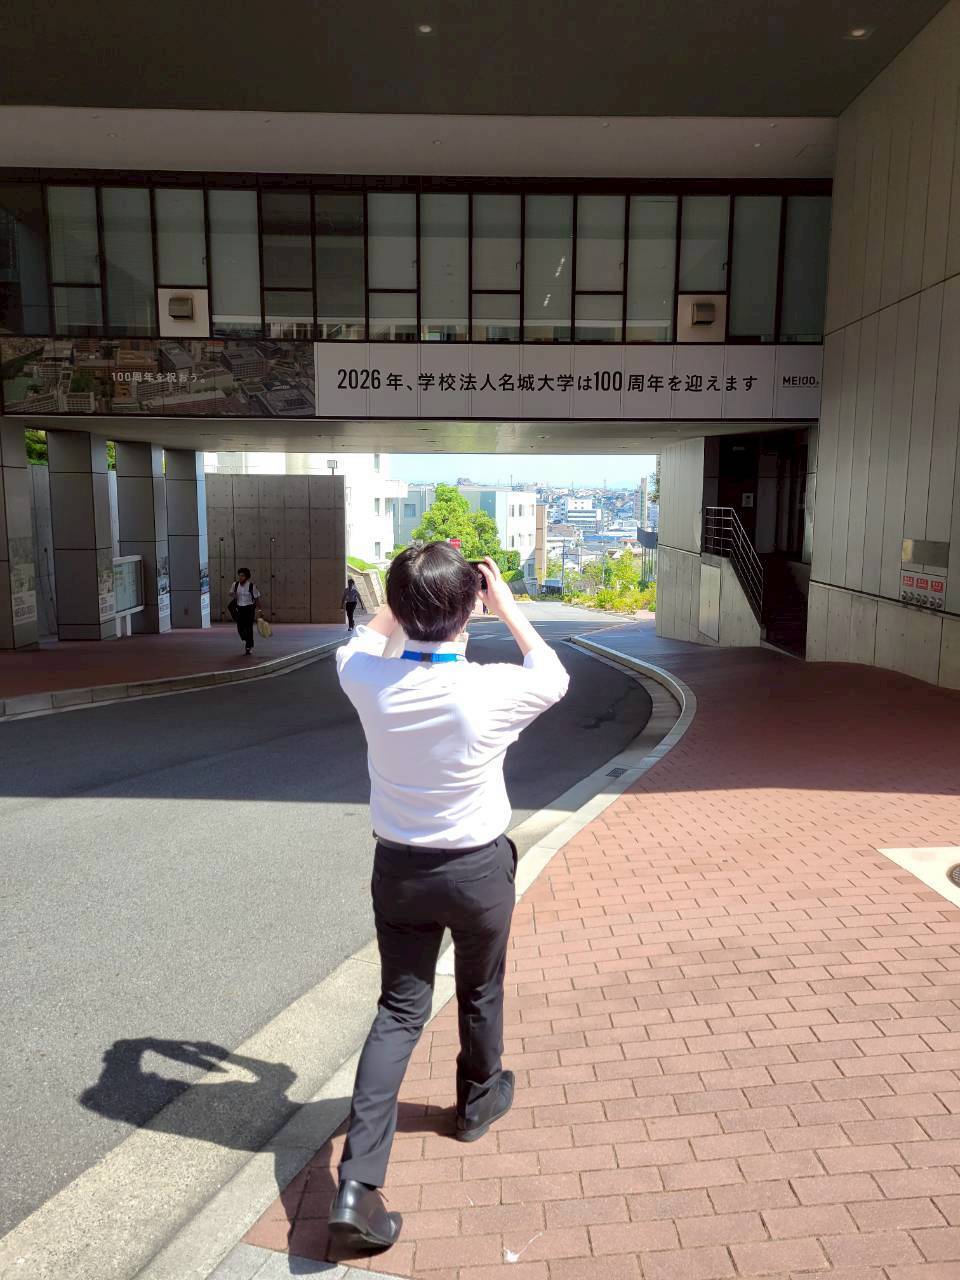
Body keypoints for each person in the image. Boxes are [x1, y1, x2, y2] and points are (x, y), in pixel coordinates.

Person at [328, 543, 569, 1254]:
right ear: (471, 610)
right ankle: (476, 1100)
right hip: (476, 871)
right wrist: (506, 605)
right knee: (480, 989)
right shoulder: (491, 688)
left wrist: (404, 600)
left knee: (399, 1011)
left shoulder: (366, 679)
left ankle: (357, 1185)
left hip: (399, 870)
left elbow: (364, 639)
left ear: (399, 607)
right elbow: (553, 674)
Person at [228, 567, 261, 656]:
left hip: (249, 608)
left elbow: (257, 598)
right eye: (239, 575)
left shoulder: (252, 586)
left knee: (248, 627)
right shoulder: (235, 584)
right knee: (240, 628)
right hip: (240, 608)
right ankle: (248, 641)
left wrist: (259, 610)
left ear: (247, 577)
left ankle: (248, 646)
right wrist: (233, 594)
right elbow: (230, 593)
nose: (240, 577)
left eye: (242, 576)